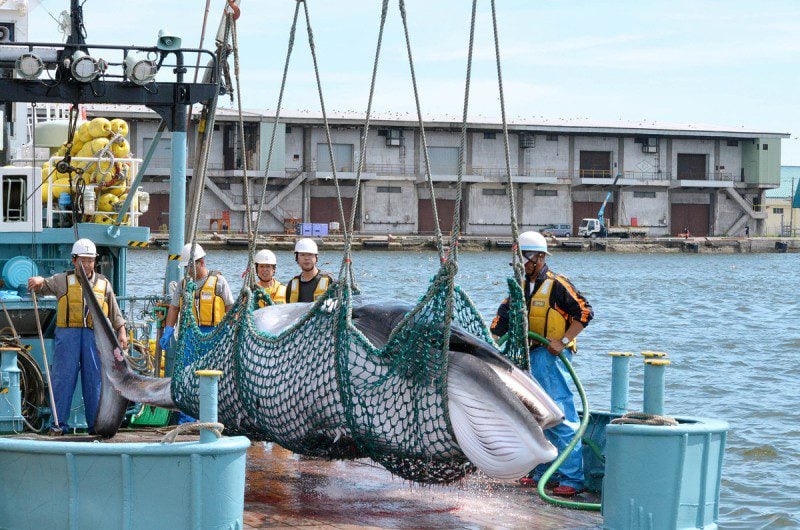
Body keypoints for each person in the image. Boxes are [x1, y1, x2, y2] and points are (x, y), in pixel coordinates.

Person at [490, 231, 593, 497]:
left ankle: (572, 477)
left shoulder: (557, 285)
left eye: (524, 258)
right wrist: (492, 343)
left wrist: (564, 340)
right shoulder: (520, 286)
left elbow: (584, 312)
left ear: (538, 257)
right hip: (527, 357)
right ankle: (542, 473)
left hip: (550, 357)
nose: (520, 264)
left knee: (559, 415)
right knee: (534, 416)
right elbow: (500, 320)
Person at [27, 238, 128, 435]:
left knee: (95, 382)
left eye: (91, 260)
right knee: (63, 380)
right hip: (68, 337)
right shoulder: (61, 280)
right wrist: (38, 281)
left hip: (94, 338)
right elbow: (43, 285)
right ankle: (58, 424)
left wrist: (122, 332)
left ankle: (96, 425)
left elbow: (115, 312)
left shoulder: (104, 284)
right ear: (74, 261)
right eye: (83, 260)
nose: (88, 264)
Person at [160, 242, 235, 349]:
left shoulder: (219, 281)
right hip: (190, 334)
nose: (188, 270)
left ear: (202, 262)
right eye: (186, 267)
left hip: (215, 333)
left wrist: (231, 329)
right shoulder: (183, 284)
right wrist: (168, 330)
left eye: (190, 266)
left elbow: (230, 307)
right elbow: (174, 308)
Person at [284, 238, 335, 303]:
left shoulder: (329, 280)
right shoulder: (292, 284)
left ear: (316, 258)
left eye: (310, 254)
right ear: (297, 258)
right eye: (302, 255)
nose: (306, 258)